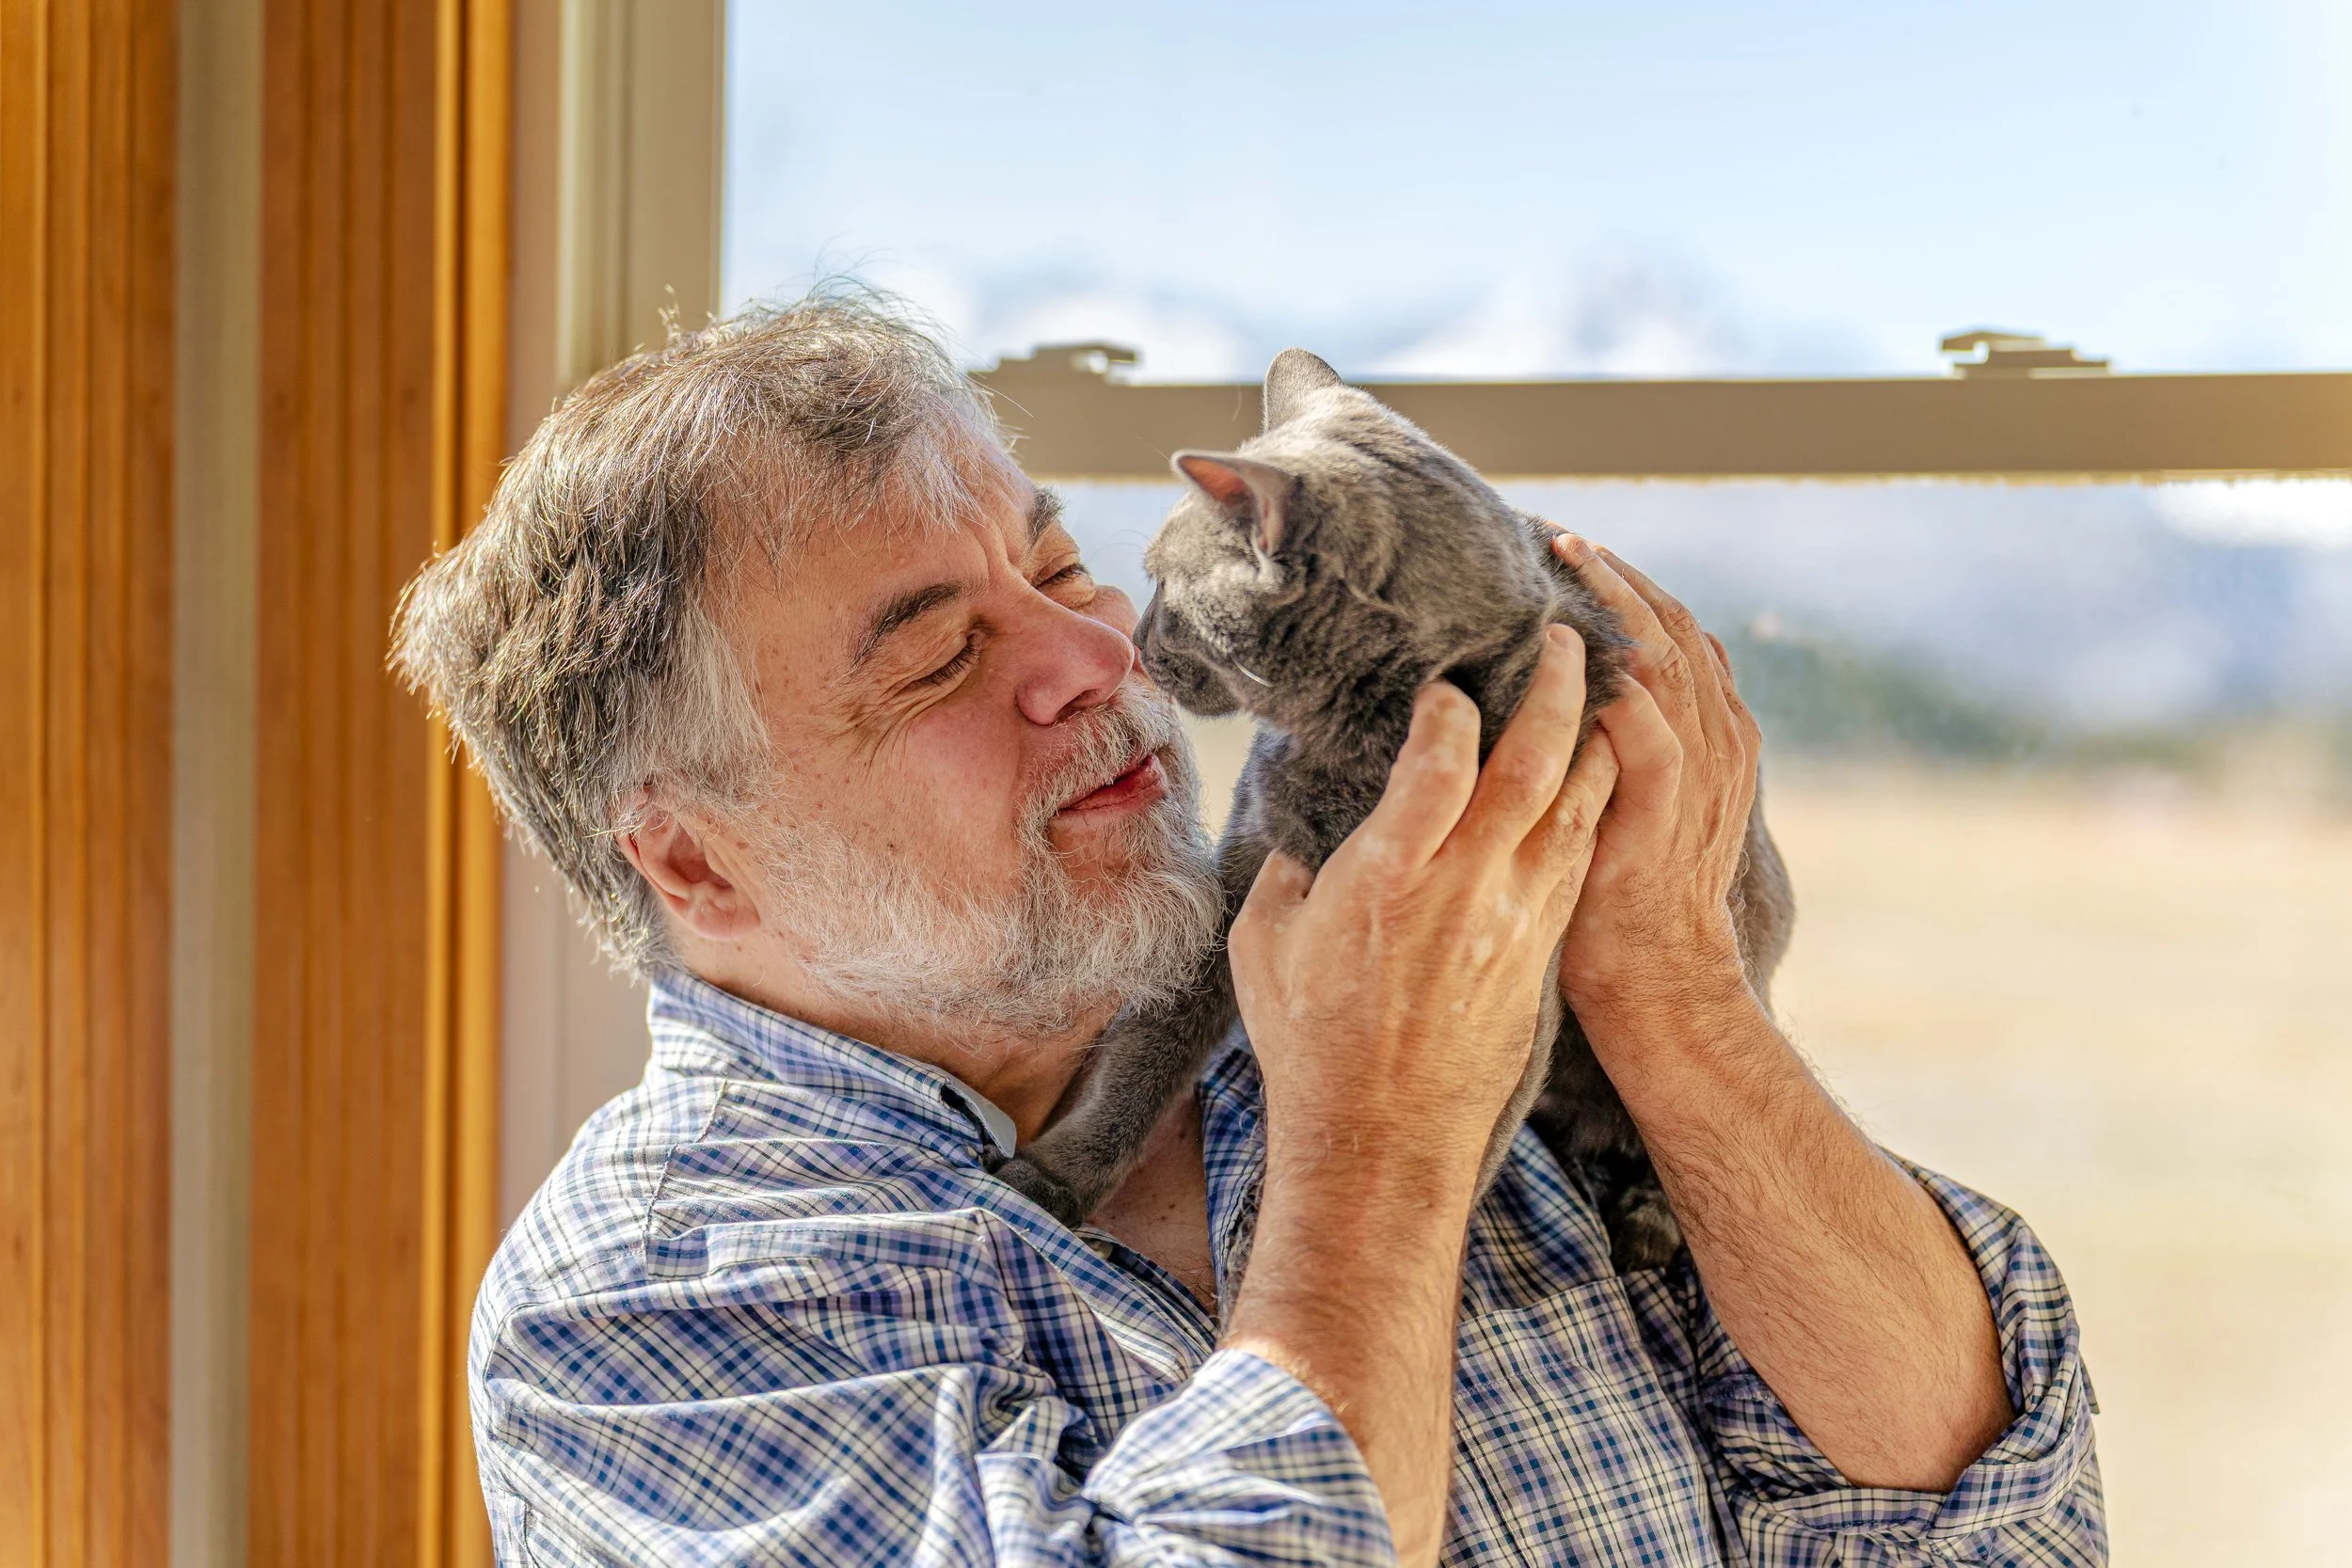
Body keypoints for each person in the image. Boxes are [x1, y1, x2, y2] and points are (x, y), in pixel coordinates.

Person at [395, 292, 2104, 1567]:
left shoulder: (1414, 963)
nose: (1096, 661)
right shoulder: (634, 1321)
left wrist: (1664, 985)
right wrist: (1379, 1143)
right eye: (933, 656)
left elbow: (1988, 1511)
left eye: (1060, 576)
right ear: (695, 862)